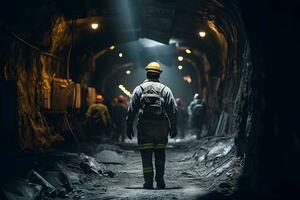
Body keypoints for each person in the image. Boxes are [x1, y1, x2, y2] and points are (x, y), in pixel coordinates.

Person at [126, 62, 178, 189]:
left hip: (144, 128)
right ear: (159, 74)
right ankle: (160, 181)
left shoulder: (139, 89)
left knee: (146, 156)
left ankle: (148, 182)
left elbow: (131, 110)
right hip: (161, 127)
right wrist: (173, 126)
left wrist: (129, 126)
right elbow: (173, 110)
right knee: (160, 154)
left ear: (147, 73)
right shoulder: (165, 89)